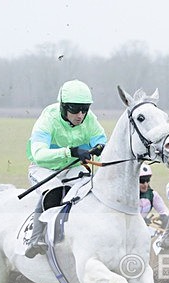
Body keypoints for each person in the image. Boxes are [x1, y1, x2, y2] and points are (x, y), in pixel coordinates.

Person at [24, 79, 107, 258]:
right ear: (63, 107)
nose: (80, 115)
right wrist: (71, 152)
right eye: (75, 110)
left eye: (84, 110)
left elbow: (101, 139)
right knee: (53, 190)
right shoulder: (48, 119)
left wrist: (100, 147)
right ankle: (35, 237)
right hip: (44, 168)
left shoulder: (89, 118)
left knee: (88, 189)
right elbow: (38, 154)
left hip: (73, 168)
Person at [138, 163, 169, 234]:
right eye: (142, 181)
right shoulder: (128, 197)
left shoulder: (153, 195)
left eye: (147, 180)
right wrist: (140, 221)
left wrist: (164, 216)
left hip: (144, 229)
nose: (145, 184)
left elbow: (164, 210)